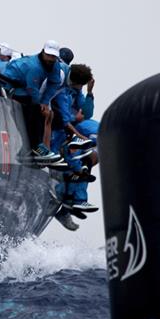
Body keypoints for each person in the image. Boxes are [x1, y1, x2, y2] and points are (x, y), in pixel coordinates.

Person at [0, 40, 66, 160]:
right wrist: (40, 105)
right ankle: (35, 147)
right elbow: (32, 89)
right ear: (43, 52)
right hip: (13, 84)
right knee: (33, 111)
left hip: (26, 86)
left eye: (53, 56)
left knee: (38, 112)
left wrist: (45, 102)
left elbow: (54, 83)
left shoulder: (54, 65)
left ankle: (34, 148)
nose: (51, 59)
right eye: (49, 55)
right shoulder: (34, 67)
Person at [51, 63, 98, 212]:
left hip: (71, 126)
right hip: (60, 128)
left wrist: (89, 93)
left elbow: (87, 113)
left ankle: (74, 198)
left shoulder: (76, 91)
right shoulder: (61, 88)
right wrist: (75, 124)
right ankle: (73, 191)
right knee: (76, 154)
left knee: (92, 144)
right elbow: (64, 116)